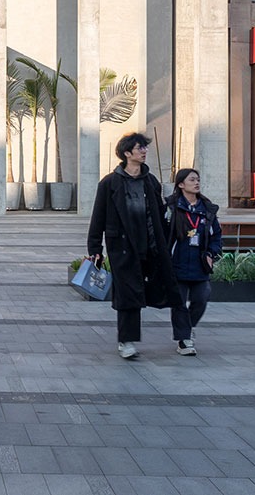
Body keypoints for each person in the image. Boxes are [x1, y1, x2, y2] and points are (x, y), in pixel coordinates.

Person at [85, 132, 172, 360]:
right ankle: (127, 341)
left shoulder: (150, 181)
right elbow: (98, 217)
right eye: (139, 148)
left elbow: (160, 215)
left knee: (156, 289)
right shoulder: (110, 183)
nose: (144, 151)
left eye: (144, 147)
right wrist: (95, 249)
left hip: (150, 247)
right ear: (127, 153)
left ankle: (184, 336)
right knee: (127, 294)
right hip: (122, 247)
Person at [165, 167, 223, 356]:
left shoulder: (207, 210)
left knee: (202, 297)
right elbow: (163, 235)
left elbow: (216, 236)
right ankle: (184, 340)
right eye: (192, 180)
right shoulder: (171, 208)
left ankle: (187, 329)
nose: (196, 183)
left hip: (200, 264)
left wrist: (211, 254)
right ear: (181, 184)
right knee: (179, 303)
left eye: (197, 180)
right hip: (177, 264)